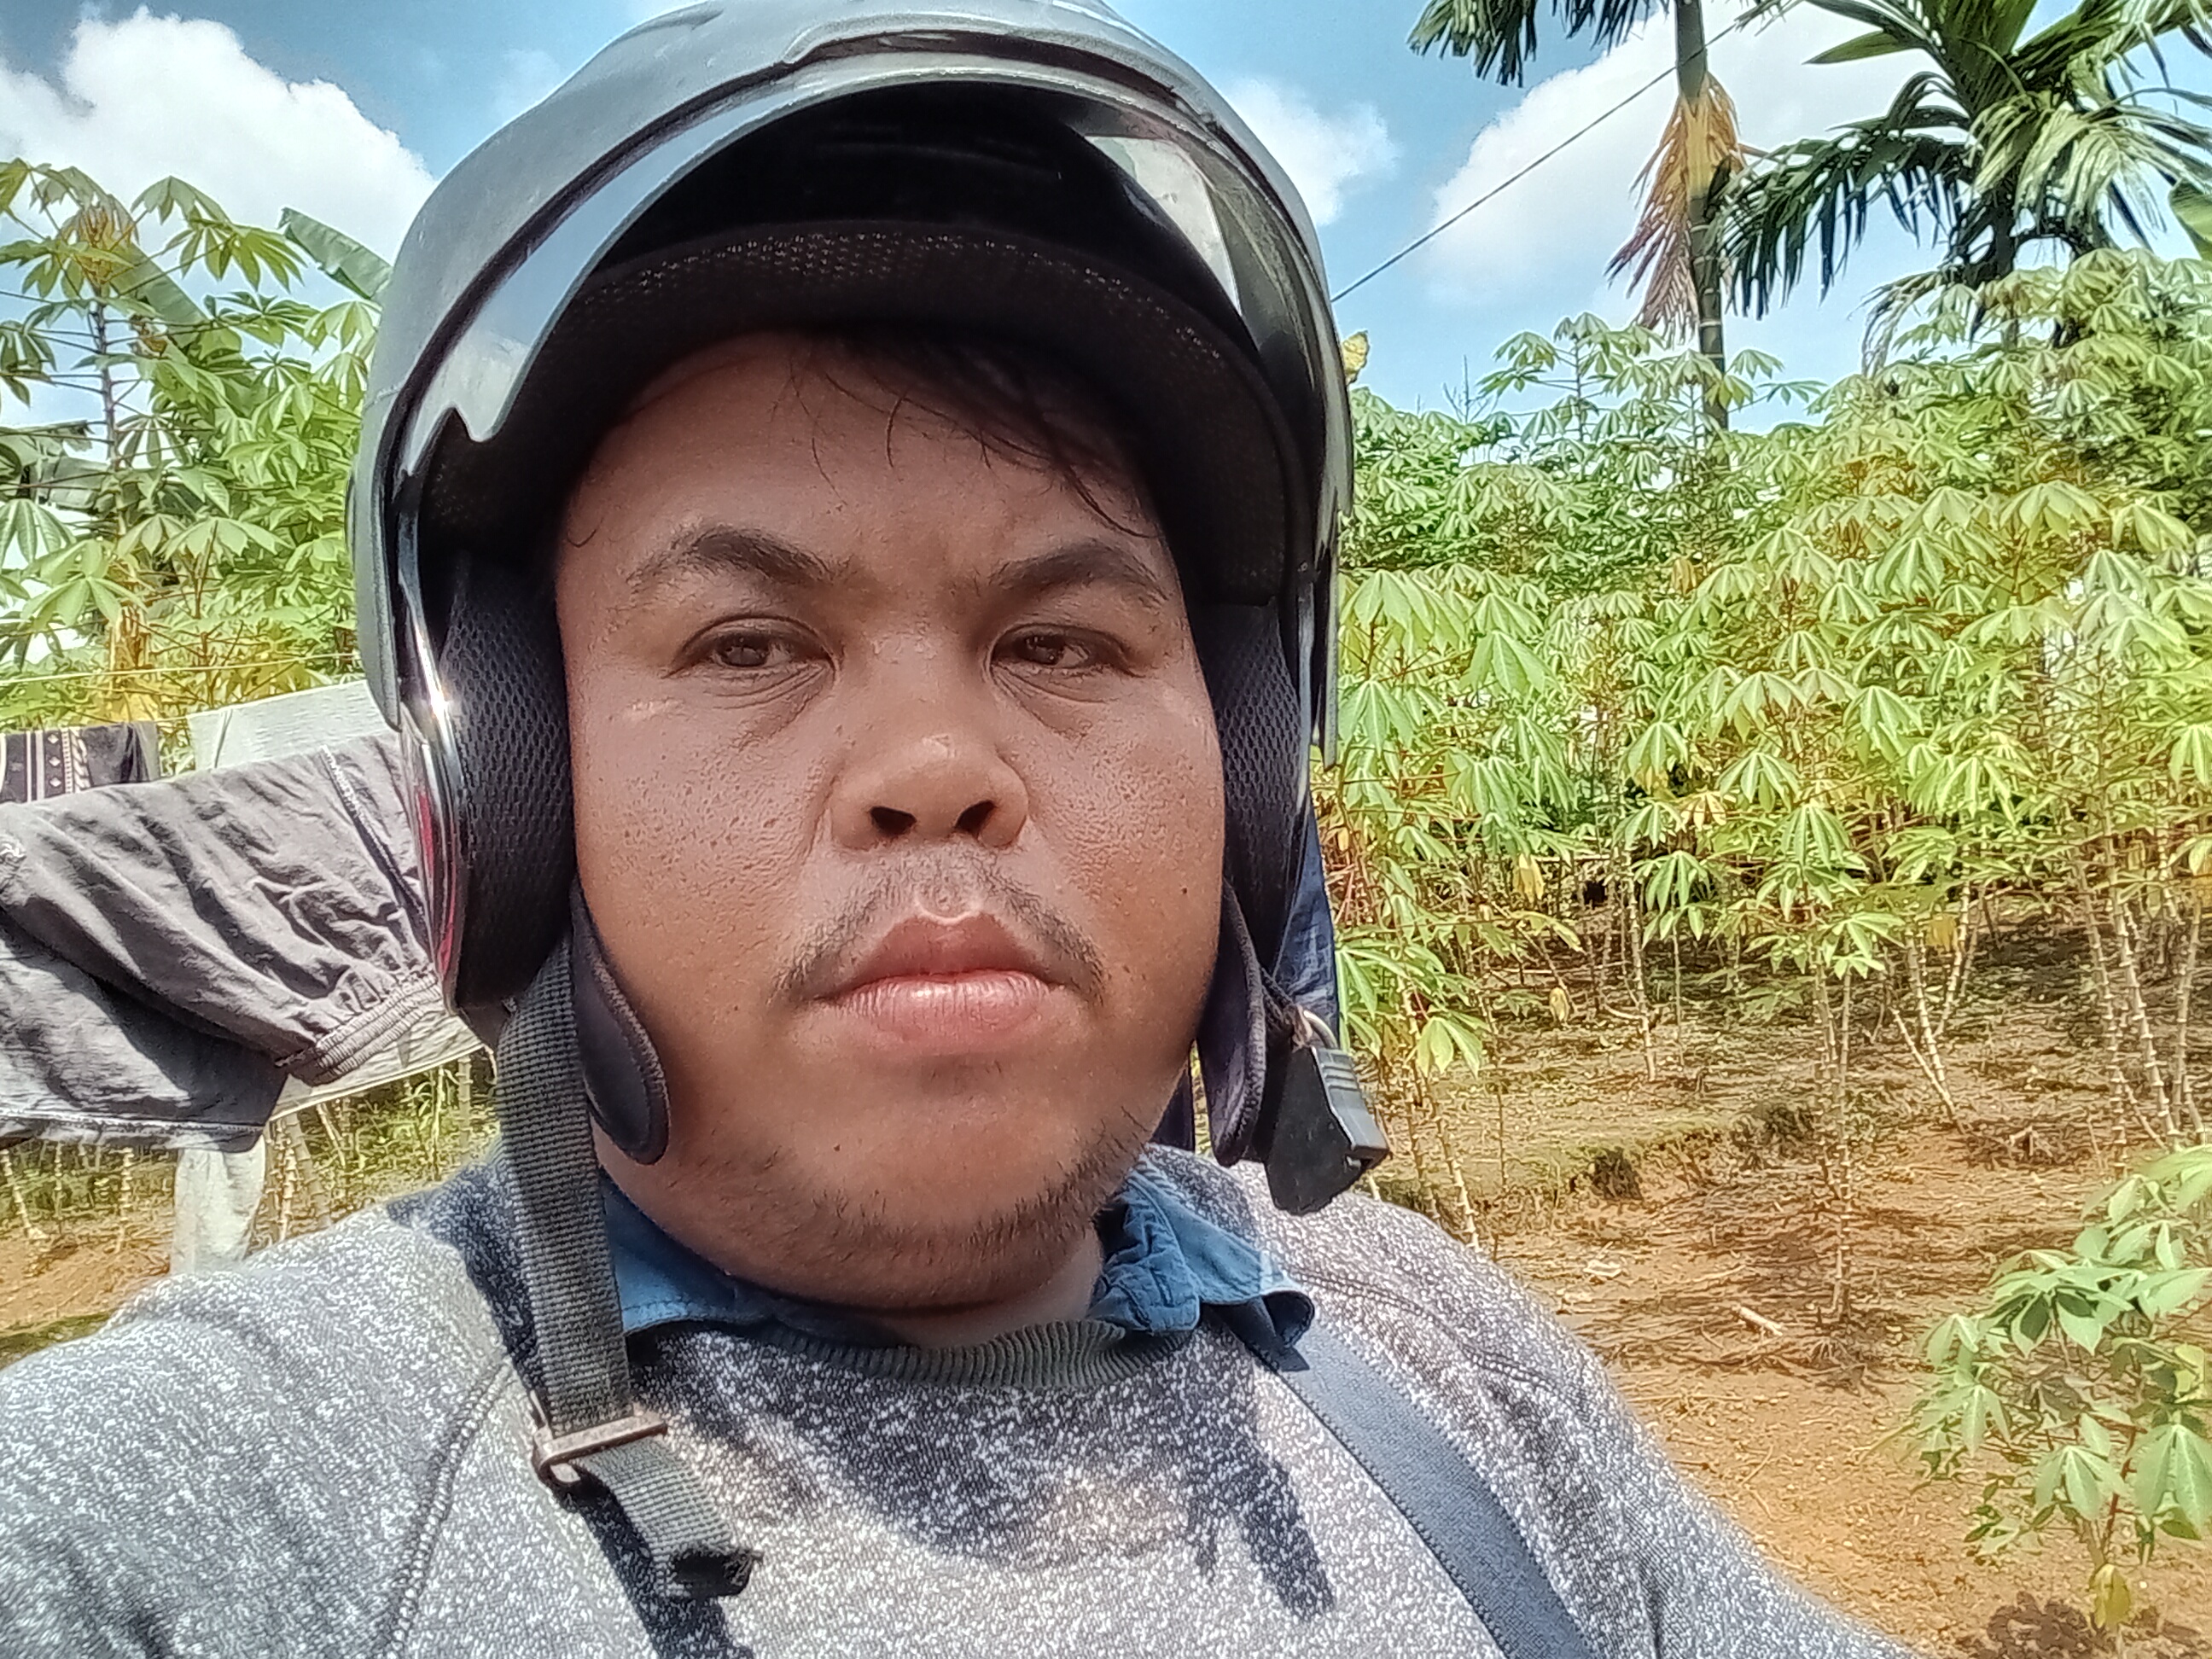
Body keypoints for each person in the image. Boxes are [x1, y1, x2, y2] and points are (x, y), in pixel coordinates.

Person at [0, 4, 1916, 1655]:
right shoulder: (235, 1497)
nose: (935, 762)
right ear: (506, 784)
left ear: (1252, 778)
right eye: (749, 643)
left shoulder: (1434, 1355)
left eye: (1060, 641)